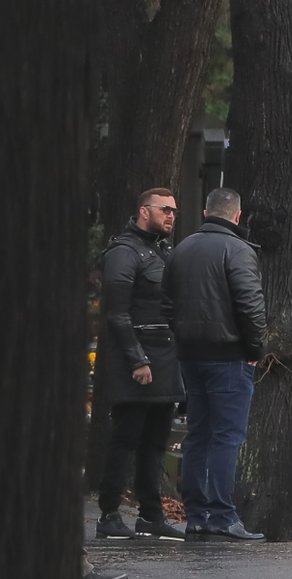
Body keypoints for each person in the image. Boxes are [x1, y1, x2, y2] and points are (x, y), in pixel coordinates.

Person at [162, 188, 267, 543]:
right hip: (230, 355)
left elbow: (167, 302)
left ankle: (195, 515)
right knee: (226, 437)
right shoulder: (238, 250)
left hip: (191, 355)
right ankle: (222, 515)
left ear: (206, 211)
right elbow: (250, 304)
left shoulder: (182, 249)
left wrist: (182, 339)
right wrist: (255, 347)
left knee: (198, 434)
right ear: (236, 216)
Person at [96, 188, 186, 541]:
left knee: (155, 441)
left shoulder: (163, 251)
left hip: (165, 354)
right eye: (165, 209)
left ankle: (151, 515)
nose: (171, 216)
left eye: (174, 211)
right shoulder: (124, 251)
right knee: (126, 438)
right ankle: (108, 513)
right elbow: (117, 314)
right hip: (138, 358)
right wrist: (137, 359)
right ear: (143, 211)